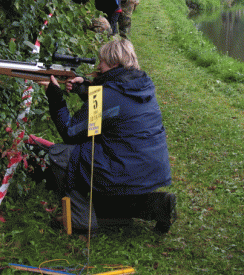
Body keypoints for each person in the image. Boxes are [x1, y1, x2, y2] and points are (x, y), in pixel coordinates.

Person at [40, 39, 177, 234]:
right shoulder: (142, 84)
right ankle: (158, 205)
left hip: (125, 167)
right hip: (151, 168)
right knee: (108, 201)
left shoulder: (105, 95)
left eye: (102, 61)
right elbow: (115, 105)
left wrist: (54, 97)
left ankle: (80, 220)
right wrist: (85, 89)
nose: (98, 66)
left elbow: (70, 133)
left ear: (113, 64)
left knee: (61, 154)